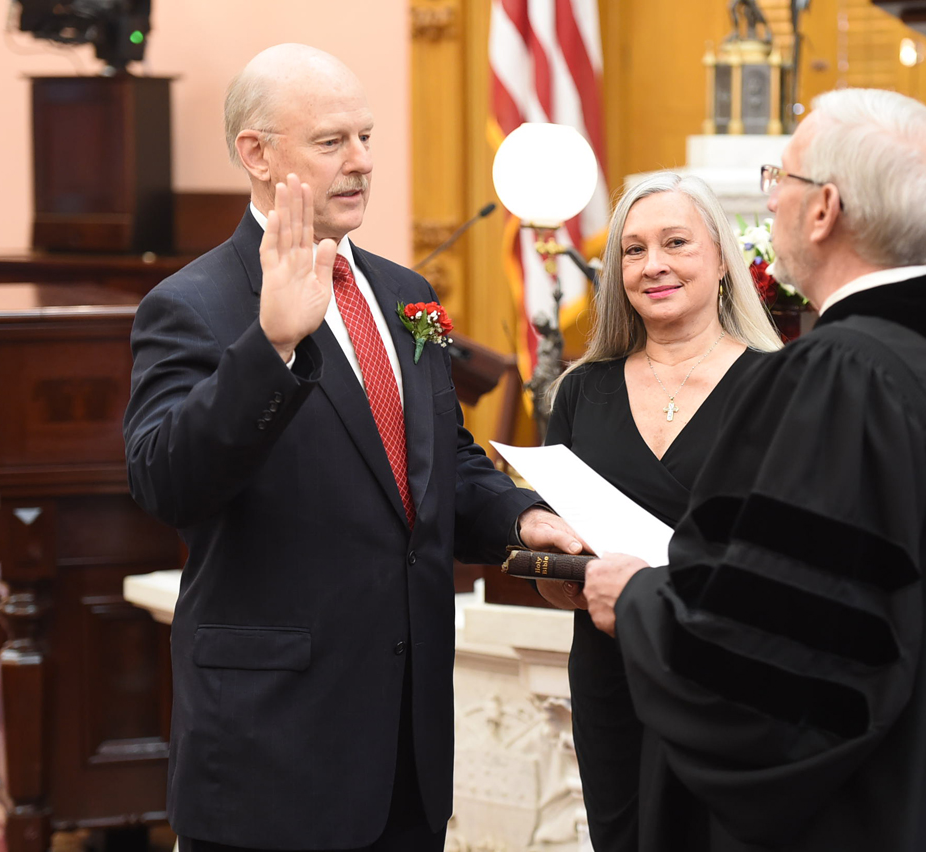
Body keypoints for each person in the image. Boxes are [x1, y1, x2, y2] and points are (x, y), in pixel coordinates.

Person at [583, 88, 926, 851]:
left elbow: (773, 660)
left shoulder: (838, 380)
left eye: (779, 178)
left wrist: (643, 602)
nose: (770, 199)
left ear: (825, 210)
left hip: (865, 809)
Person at [122, 44, 581, 852]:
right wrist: (269, 348)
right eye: (332, 142)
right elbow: (166, 482)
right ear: (256, 155)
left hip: (408, 749)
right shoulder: (190, 304)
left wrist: (522, 519)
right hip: (273, 755)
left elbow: (440, 460)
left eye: (366, 138)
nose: (363, 162)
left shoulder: (408, 295)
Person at [540, 172, 782, 851]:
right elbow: (556, 570)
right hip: (612, 672)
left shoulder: (780, 386)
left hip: (732, 677)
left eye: (676, 242)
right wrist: (561, 573)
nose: (654, 265)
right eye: (634, 250)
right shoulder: (581, 393)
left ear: (722, 261)